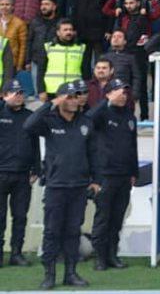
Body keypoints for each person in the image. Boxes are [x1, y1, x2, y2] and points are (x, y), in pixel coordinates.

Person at [24, 81, 99, 289]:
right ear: (61, 99)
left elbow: (93, 153)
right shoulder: (49, 121)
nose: (75, 101)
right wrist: (51, 104)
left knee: (73, 232)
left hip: (79, 187)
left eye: (77, 96)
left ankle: (71, 273)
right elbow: (29, 125)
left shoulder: (85, 122)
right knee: (52, 232)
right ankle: (49, 275)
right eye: (70, 96)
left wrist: (95, 180)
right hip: (56, 185)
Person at [86, 78, 138, 271]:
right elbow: (88, 118)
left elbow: (133, 146)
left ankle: (112, 255)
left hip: (124, 175)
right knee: (103, 218)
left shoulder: (130, 116)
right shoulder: (101, 114)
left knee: (117, 219)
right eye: (118, 91)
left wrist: (134, 172)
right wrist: (105, 101)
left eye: (125, 92)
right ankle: (99, 258)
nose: (123, 95)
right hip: (105, 175)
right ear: (108, 93)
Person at [0, 80, 40, 267]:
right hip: (1, 173)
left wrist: (36, 169)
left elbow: (35, 145)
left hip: (23, 175)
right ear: (4, 95)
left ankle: (17, 252)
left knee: (20, 216)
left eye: (21, 93)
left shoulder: (29, 116)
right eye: (14, 93)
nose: (19, 96)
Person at [37, 19, 85, 100]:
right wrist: (41, 90)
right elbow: (41, 71)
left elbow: (85, 71)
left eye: (70, 30)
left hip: (74, 90)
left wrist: (83, 90)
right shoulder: (48, 47)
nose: (68, 32)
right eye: (65, 30)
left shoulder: (81, 48)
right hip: (52, 91)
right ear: (58, 32)